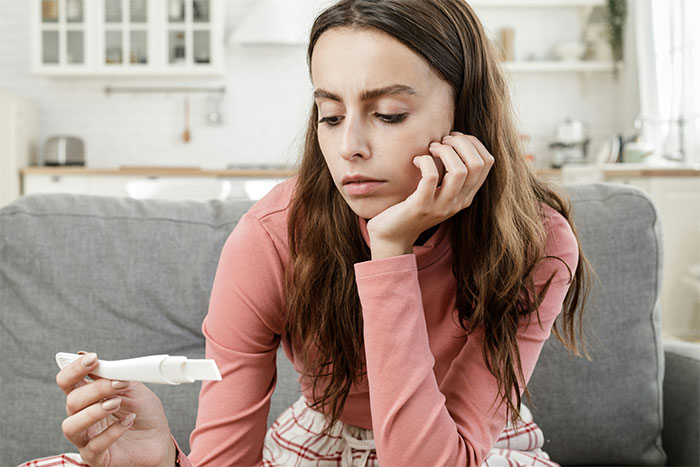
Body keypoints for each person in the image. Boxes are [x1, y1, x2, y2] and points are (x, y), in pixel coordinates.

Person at [52, 0, 592, 466]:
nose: (349, 146)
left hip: (462, 446)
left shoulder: (537, 245)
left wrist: (389, 254)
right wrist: (161, 460)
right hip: (320, 441)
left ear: (466, 113)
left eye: (389, 113)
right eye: (330, 115)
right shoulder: (271, 238)